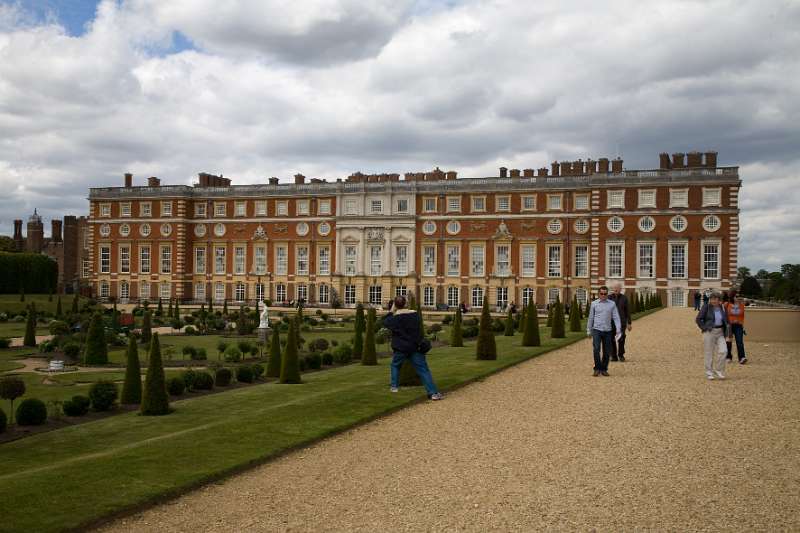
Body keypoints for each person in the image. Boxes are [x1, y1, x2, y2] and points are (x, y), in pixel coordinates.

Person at [383, 295, 443, 400]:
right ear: (406, 304)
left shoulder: (394, 319)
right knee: (424, 370)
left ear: (395, 305)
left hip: (401, 348)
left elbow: (385, 322)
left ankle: (394, 386)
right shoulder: (415, 315)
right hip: (415, 347)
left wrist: (391, 310)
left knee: (395, 365)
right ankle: (433, 393)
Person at [586, 286, 622, 377]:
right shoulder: (594, 304)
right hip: (597, 330)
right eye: (601, 293)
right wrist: (588, 330)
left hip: (608, 331)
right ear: (599, 294)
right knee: (596, 349)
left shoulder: (612, 304)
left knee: (607, 352)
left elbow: (616, 317)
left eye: (605, 294)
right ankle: (597, 368)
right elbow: (591, 318)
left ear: (607, 294)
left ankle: (604, 369)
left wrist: (618, 329)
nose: (603, 295)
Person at [695, 291, 730, 380]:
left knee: (724, 351)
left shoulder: (723, 308)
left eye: (715, 299)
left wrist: (728, 335)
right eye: (711, 299)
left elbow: (727, 322)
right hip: (709, 332)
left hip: (720, 332)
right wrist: (704, 328)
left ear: (719, 300)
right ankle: (709, 372)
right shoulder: (706, 307)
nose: (713, 301)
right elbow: (698, 319)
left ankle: (718, 370)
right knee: (709, 353)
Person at [608, 283, 632, 362]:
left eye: (617, 288)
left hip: (621, 322)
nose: (616, 289)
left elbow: (627, 311)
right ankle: (613, 355)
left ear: (620, 289)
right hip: (611, 322)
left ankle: (621, 355)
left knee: (621, 338)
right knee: (611, 339)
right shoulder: (609, 298)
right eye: (615, 288)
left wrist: (629, 323)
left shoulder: (624, 298)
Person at [724, 290, 748, 364]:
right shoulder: (726, 304)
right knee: (728, 342)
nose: (738, 298)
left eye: (739, 296)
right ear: (732, 297)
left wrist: (745, 300)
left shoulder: (742, 305)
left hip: (739, 326)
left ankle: (742, 357)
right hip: (729, 326)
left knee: (739, 342)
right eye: (736, 296)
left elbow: (749, 303)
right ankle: (728, 357)